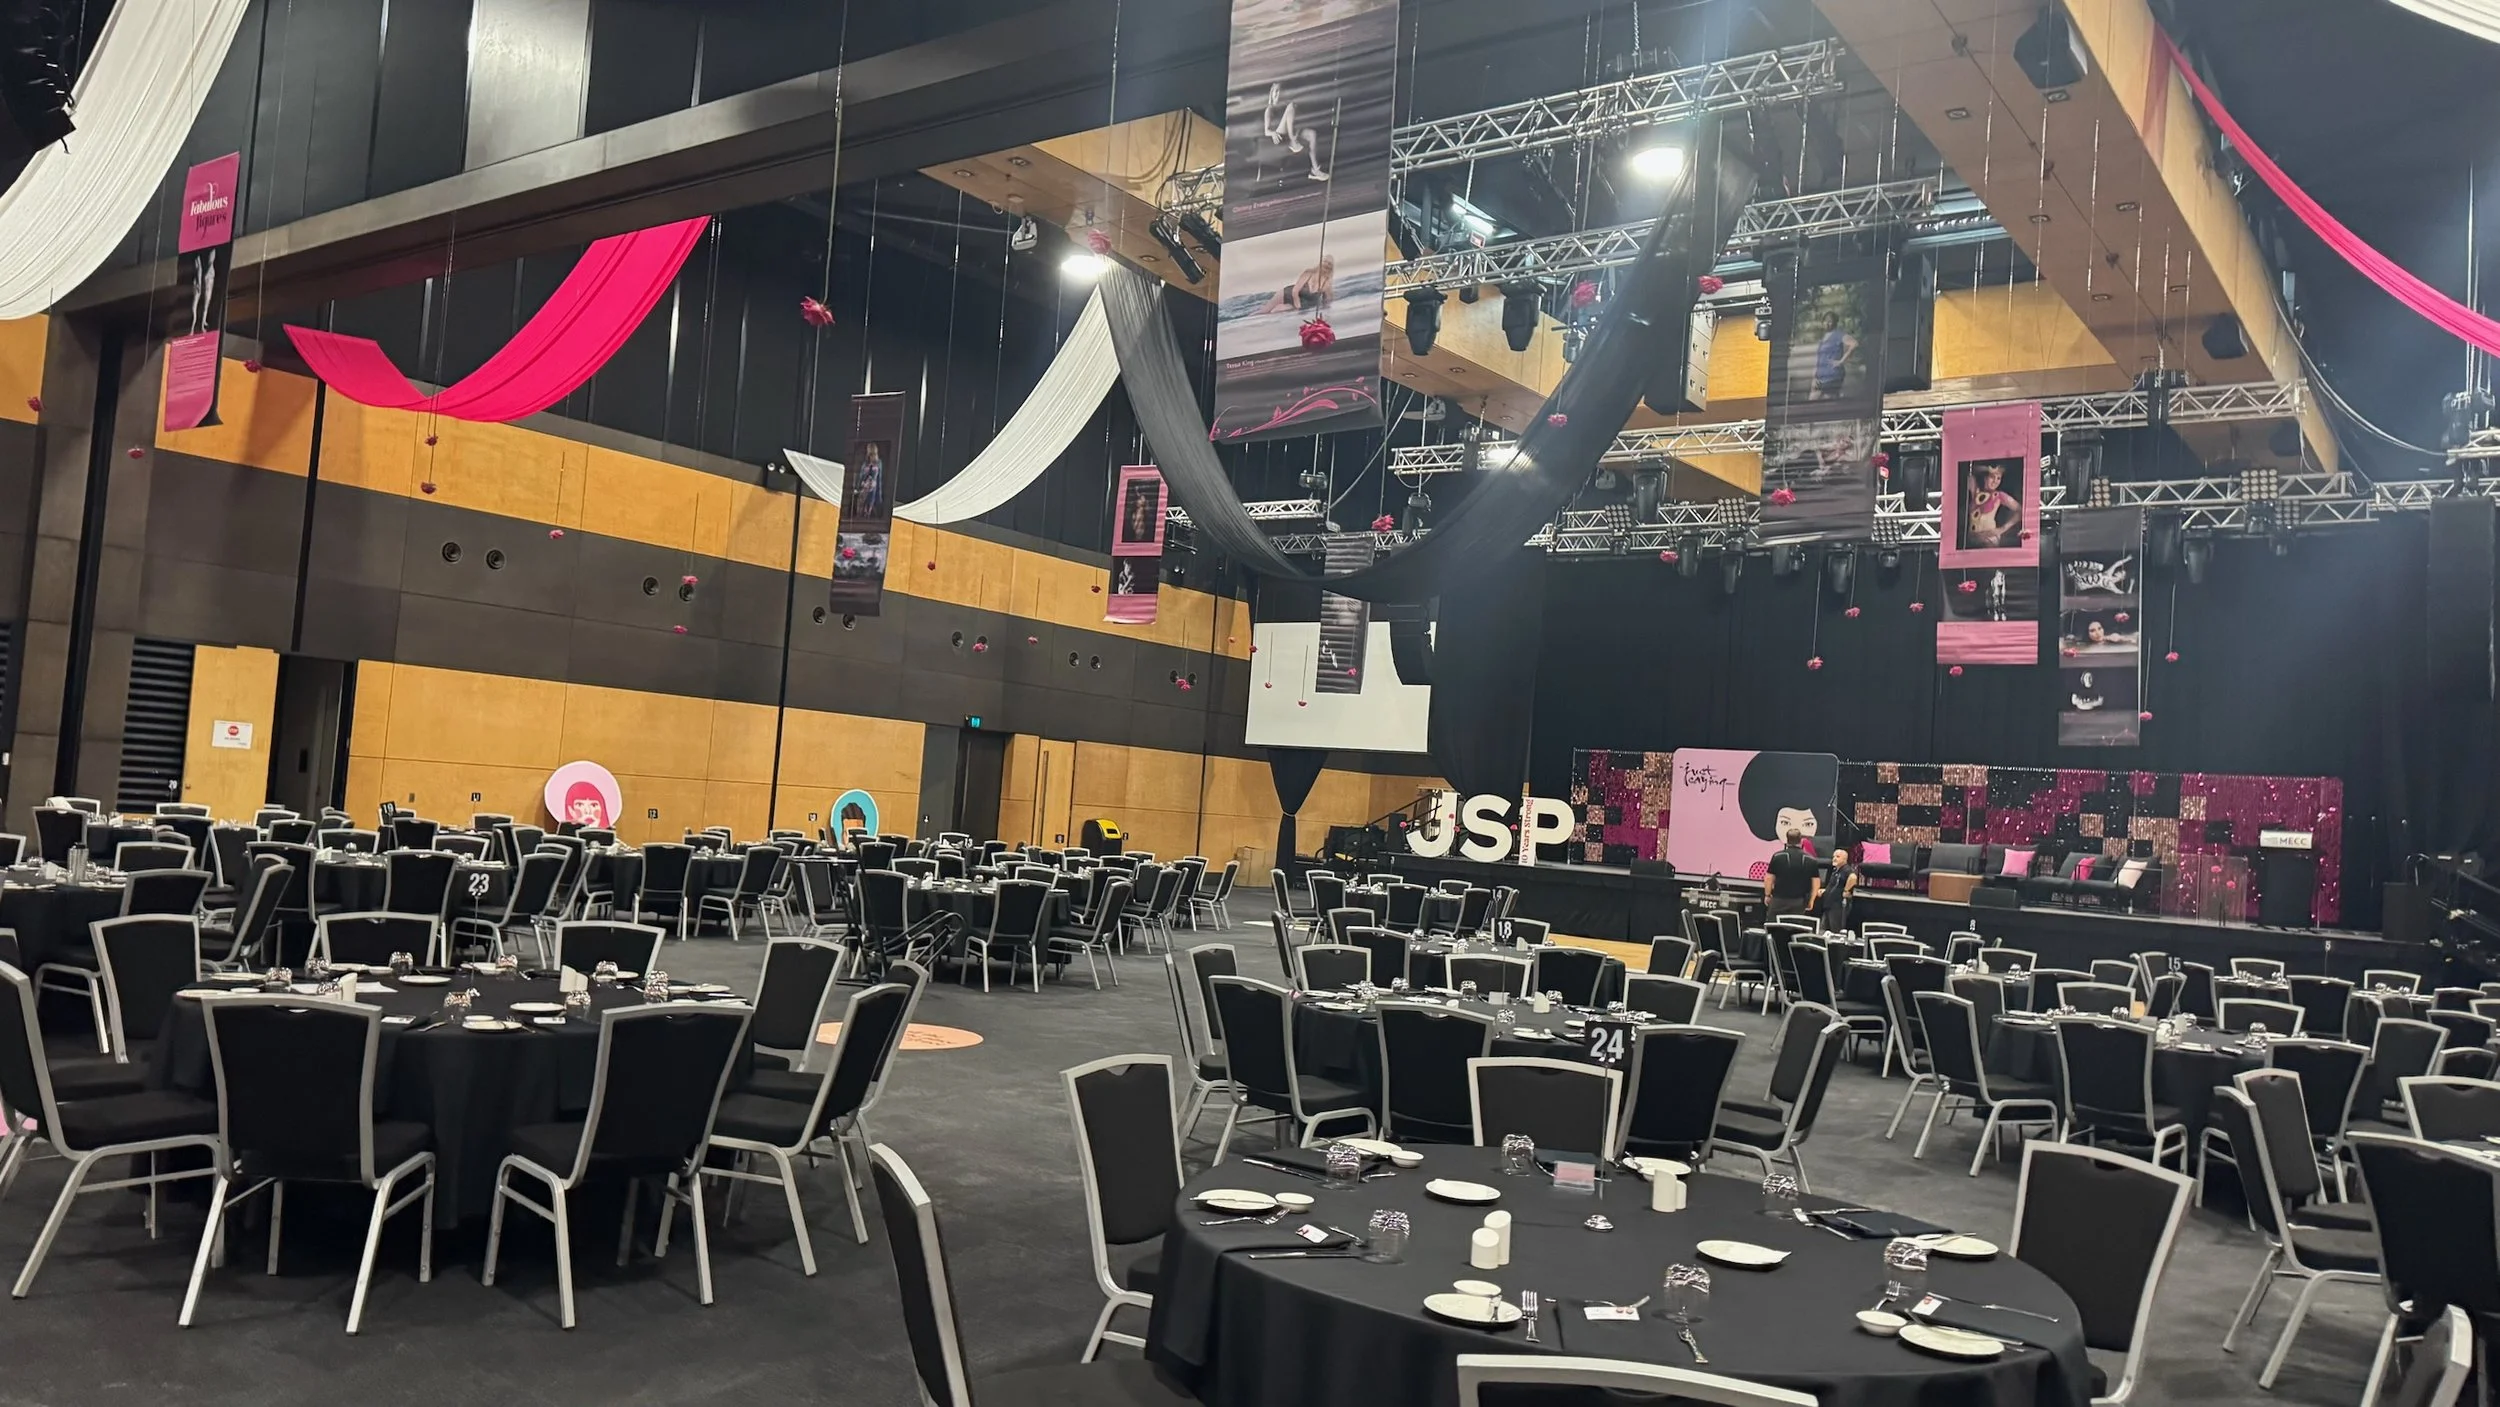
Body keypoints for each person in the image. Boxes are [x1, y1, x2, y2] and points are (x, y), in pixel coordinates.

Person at [1763, 830, 1818, 918]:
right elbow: (1816, 883)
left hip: (1778, 900)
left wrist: (1767, 895)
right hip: (1799, 901)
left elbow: (1769, 878)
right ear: (1800, 840)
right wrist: (1812, 900)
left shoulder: (1777, 857)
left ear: (1787, 840)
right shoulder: (1810, 860)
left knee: (1773, 927)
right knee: (1794, 928)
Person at [1258, 255, 1336, 315]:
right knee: (1264, 312)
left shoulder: (1327, 284)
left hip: (1301, 302)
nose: (1326, 265)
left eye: (1329, 264)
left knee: (1275, 312)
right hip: (1288, 294)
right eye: (1325, 262)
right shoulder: (1309, 273)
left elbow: (1327, 300)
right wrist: (1297, 308)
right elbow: (1295, 291)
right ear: (1321, 263)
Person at [1965, 462, 2020, 547]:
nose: (1995, 481)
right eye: (1992, 477)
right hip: (1973, 539)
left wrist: (2002, 529)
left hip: (1988, 539)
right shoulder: (1976, 492)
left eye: (1998, 478)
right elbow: (1971, 471)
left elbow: (2020, 511)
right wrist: (1989, 469)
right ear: (1985, 478)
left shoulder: (1999, 495)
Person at [1811, 313, 1858, 400]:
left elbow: (1854, 344)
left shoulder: (1838, 335)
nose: (1827, 323)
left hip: (1832, 376)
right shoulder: (1824, 337)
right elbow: (1819, 359)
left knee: (1828, 404)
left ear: (1834, 323)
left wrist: (1841, 361)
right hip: (1820, 378)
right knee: (1812, 401)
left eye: (1830, 321)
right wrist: (1814, 377)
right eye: (1825, 321)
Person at [1817, 846, 1858, 931]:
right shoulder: (1836, 870)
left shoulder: (1846, 869)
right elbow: (1834, 885)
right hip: (1829, 905)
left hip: (1837, 906)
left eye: (1838, 857)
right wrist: (1825, 890)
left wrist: (1846, 890)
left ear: (1844, 859)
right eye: (1834, 857)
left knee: (1835, 930)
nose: (1834, 859)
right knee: (1823, 930)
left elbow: (1853, 878)